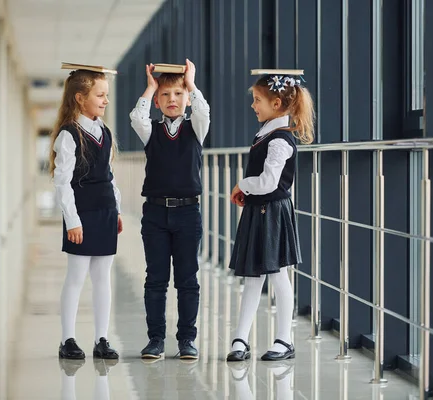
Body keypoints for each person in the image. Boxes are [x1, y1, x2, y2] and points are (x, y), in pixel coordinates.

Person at [226, 71, 315, 362]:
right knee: (254, 277)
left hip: (273, 212)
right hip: (259, 210)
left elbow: (267, 182)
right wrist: (248, 191)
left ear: (276, 103)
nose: (253, 105)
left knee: (277, 276)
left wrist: (243, 185)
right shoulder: (267, 133)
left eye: (257, 100)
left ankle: (284, 340)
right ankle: (240, 338)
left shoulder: (280, 139)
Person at [129, 59, 210, 360]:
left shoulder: (196, 128)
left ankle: (187, 340)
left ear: (187, 98)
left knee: (188, 280)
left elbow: (203, 111)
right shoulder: (151, 131)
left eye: (178, 94)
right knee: (156, 279)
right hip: (156, 215)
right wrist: (151, 87)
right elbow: (136, 117)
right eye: (165, 95)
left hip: (189, 214)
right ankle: (156, 340)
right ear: (158, 101)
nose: (171, 100)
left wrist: (191, 82)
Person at [49, 66, 123, 360]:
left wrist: (115, 209)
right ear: (80, 98)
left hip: (105, 210)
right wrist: (72, 221)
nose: (105, 100)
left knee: (103, 277)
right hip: (82, 214)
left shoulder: (103, 130)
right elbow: (62, 181)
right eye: (100, 95)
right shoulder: (69, 135)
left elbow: (109, 175)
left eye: (106, 95)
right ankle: (67, 339)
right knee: (76, 276)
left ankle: (101, 339)